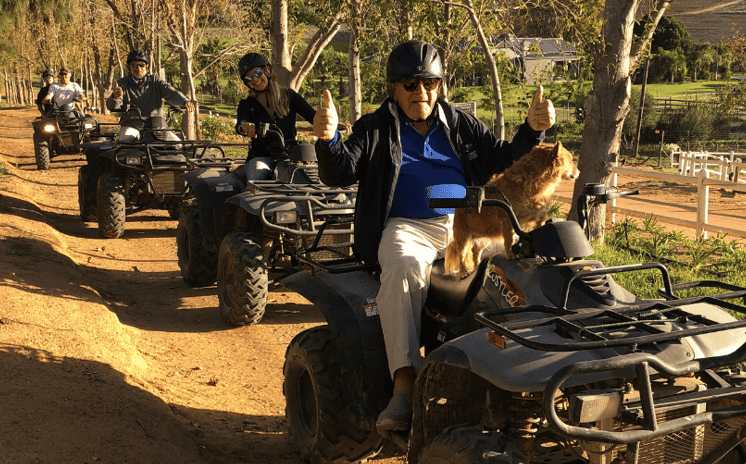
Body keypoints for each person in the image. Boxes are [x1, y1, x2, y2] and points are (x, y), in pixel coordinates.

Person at [312, 40, 555, 432]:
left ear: (440, 86)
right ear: (394, 88)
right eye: (410, 85)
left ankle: (529, 371)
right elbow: (340, 171)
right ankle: (404, 385)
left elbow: (499, 158)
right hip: (407, 225)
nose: (420, 93)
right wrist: (328, 141)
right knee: (405, 268)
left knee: (523, 269)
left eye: (429, 83)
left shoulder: (459, 123)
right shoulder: (375, 128)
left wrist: (533, 131)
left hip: (465, 221)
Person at [234, 53, 317, 181]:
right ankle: (251, 197)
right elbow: (241, 122)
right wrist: (244, 127)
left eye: (257, 73)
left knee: (307, 179)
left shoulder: (289, 96)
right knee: (257, 178)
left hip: (290, 156)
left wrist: (332, 124)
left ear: (268, 70)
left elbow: (312, 116)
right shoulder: (247, 104)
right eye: (248, 78)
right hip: (260, 157)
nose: (254, 80)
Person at [106, 49, 195, 142]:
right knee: (126, 140)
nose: (138, 68)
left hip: (157, 126)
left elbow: (172, 93)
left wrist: (185, 102)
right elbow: (111, 106)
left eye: (141, 65)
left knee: (178, 144)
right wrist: (114, 97)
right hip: (133, 127)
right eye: (134, 65)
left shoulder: (156, 82)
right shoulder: (122, 84)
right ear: (129, 67)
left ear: (147, 67)